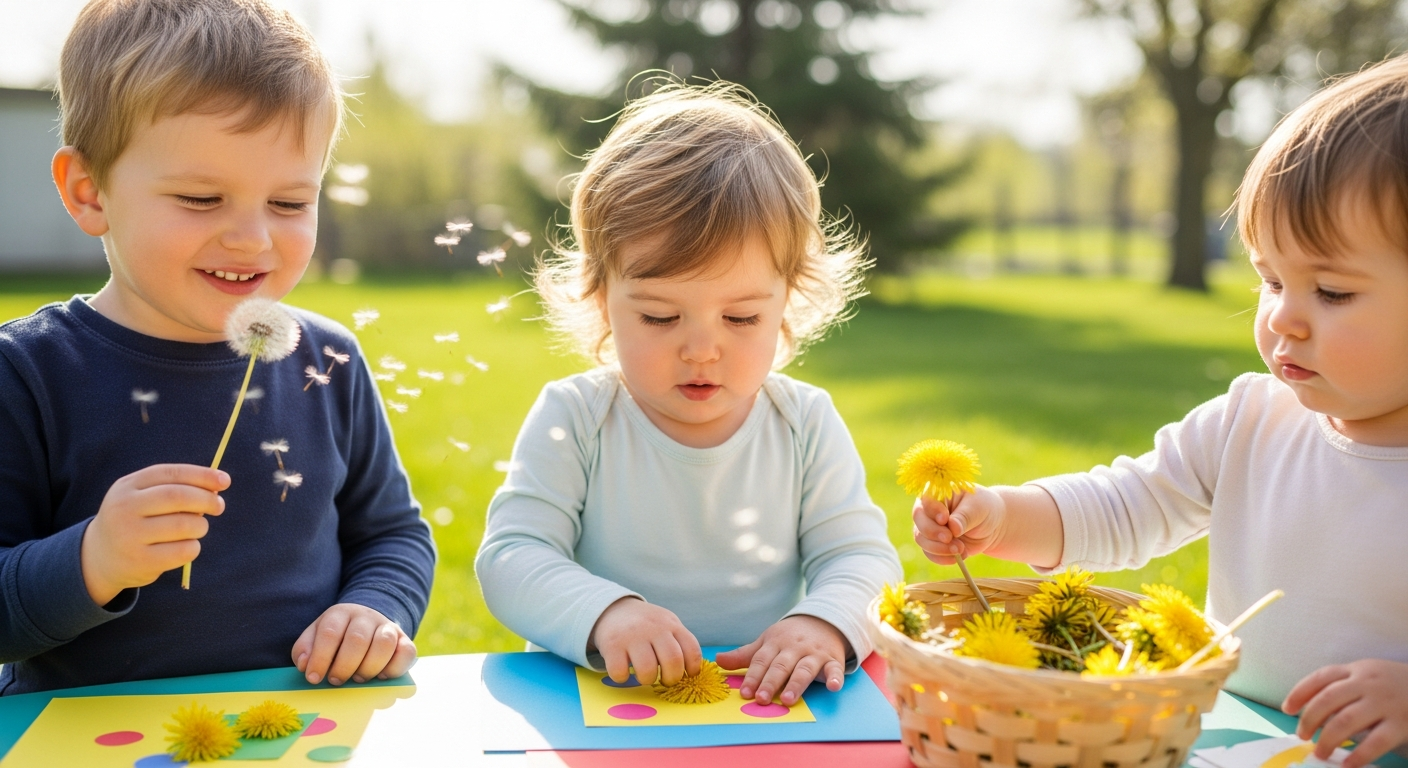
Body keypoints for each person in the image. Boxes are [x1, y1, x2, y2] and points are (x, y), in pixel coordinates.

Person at [912, 58, 1408, 768]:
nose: (1284, 320)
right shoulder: (1250, 421)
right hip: (1230, 738)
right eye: (1270, 280)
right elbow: (1127, 504)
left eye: (1330, 291)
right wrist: (1001, 515)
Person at [0, 0, 435, 695]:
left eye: (290, 203)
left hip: (297, 726)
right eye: (202, 198)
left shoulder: (326, 362)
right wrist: (92, 559)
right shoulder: (28, 374)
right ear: (89, 192)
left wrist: (372, 609)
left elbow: (392, 536)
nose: (253, 239)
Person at [475, 81, 901, 708]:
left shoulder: (803, 423)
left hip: (760, 705)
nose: (702, 351)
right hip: (597, 702)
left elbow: (863, 558)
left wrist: (824, 624)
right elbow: (512, 556)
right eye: (659, 318)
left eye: (741, 319)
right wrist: (605, 614)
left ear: (789, 303)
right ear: (601, 300)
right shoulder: (579, 417)